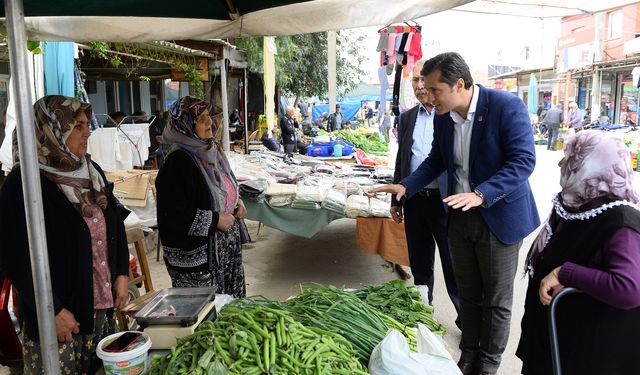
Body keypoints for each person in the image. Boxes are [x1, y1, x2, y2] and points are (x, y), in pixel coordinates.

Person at [368, 52, 539, 375]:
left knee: (496, 300)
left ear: (459, 84)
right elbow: (436, 160)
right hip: (459, 216)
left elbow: (523, 161)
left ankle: (488, 364)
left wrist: (481, 194)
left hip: (497, 216)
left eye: (435, 90)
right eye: (426, 90)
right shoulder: (445, 118)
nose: (428, 97)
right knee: (468, 294)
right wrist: (406, 186)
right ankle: (469, 353)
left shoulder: (505, 107)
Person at [0, 95, 130, 374]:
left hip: (99, 310)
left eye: (86, 125)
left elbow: (114, 224)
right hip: (59, 323)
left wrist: (121, 272)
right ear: (52, 130)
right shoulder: (23, 184)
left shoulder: (91, 171)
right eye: (78, 126)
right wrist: (51, 310)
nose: (88, 131)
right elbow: (13, 257)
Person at [517, 130, 640, 375]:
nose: (561, 163)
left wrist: (566, 273)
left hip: (586, 356)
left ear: (591, 165)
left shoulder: (621, 221)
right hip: (553, 343)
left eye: (570, 158)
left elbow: (629, 289)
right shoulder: (574, 204)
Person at [391, 61, 461, 325]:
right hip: (416, 202)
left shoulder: (450, 113)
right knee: (420, 265)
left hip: (445, 202)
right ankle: (424, 314)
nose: (420, 87)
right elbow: (402, 160)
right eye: (415, 82)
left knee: (453, 265)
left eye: (423, 80)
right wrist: (396, 200)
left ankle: (465, 321)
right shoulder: (407, 117)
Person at [155, 96, 246, 296]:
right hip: (198, 263)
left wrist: (236, 201)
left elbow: (223, 187)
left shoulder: (211, 151)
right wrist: (215, 220)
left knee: (231, 315)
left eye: (208, 116)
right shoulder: (177, 162)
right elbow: (173, 216)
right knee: (209, 320)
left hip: (224, 251)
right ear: (185, 125)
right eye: (201, 119)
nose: (209, 122)